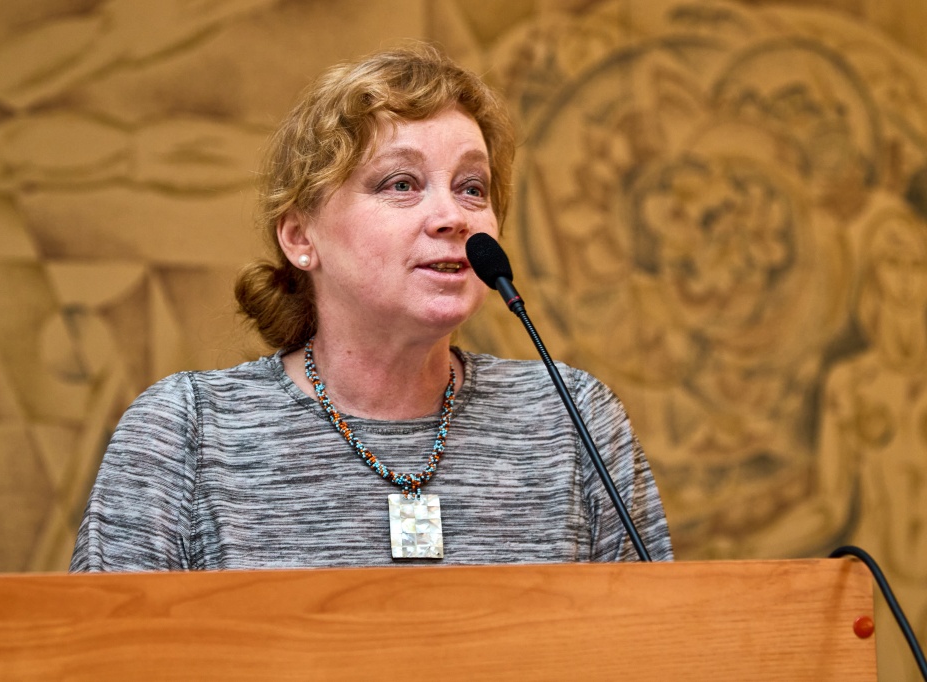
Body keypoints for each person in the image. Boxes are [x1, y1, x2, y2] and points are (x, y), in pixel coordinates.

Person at [70, 42, 672, 572]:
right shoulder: (188, 433)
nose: (452, 217)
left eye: (472, 188)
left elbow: (660, 640)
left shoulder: (573, 419)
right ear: (300, 236)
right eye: (400, 184)